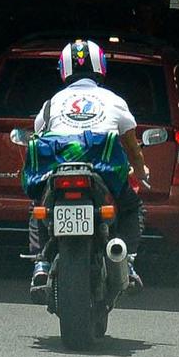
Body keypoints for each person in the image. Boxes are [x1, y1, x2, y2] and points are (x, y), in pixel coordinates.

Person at [26, 38, 151, 300]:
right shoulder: (114, 100)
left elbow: (38, 134)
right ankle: (126, 260)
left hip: (59, 171)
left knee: (39, 207)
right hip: (102, 171)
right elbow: (130, 144)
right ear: (100, 67)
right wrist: (141, 171)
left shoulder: (53, 102)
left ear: (64, 69)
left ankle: (40, 262)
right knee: (132, 206)